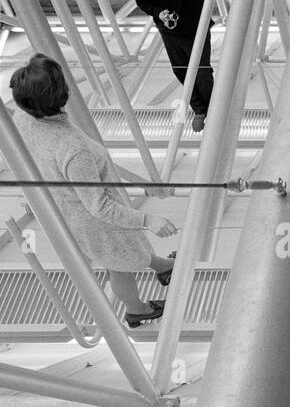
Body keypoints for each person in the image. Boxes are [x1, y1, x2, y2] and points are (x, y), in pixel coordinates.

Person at [10, 53, 177, 328]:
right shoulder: (72, 149)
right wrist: (149, 220)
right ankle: (137, 309)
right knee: (120, 265)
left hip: (67, 206)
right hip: (96, 222)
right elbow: (99, 207)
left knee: (131, 249)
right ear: (62, 94)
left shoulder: (24, 119)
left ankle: (161, 267)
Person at [135, 0, 219, 133]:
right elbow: (142, 1)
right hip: (171, 33)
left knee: (202, 71)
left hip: (197, 28)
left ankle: (212, 110)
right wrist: (159, 13)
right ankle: (200, 109)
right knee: (181, 71)